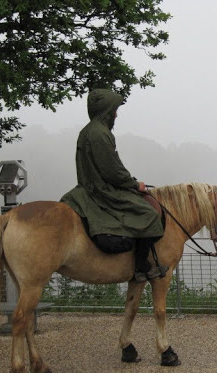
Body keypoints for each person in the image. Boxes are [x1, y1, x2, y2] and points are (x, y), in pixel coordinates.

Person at [60, 88, 167, 282]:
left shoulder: (87, 131)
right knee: (150, 215)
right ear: (106, 110)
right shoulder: (100, 133)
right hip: (103, 190)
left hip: (88, 186)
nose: (116, 114)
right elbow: (112, 171)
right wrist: (135, 185)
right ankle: (140, 266)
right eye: (114, 110)